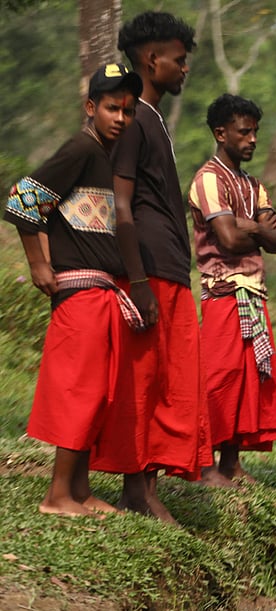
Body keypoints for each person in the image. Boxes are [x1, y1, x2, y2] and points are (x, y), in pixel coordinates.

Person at [4, 64, 148, 516]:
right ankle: (57, 494)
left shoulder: (105, 156)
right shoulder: (81, 148)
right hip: (80, 292)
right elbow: (23, 200)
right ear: (91, 108)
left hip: (102, 293)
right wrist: (38, 263)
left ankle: (81, 491)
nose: (120, 118)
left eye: (127, 110)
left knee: (97, 391)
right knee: (79, 391)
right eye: (111, 108)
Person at [106, 10, 209, 524]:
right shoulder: (130, 119)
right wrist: (139, 282)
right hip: (148, 272)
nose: (184, 68)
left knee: (172, 380)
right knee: (145, 380)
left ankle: (145, 484)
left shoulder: (154, 118)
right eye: (179, 59)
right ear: (152, 59)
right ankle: (136, 488)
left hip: (170, 269)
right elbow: (119, 206)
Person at [188, 94, 276, 485]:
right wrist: (259, 230)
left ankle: (231, 462)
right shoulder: (208, 179)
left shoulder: (253, 185)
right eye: (244, 132)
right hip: (222, 292)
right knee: (219, 376)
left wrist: (255, 230)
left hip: (253, 293)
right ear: (220, 133)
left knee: (250, 376)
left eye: (255, 132)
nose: (252, 140)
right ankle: (204, 463)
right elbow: (228, 239)